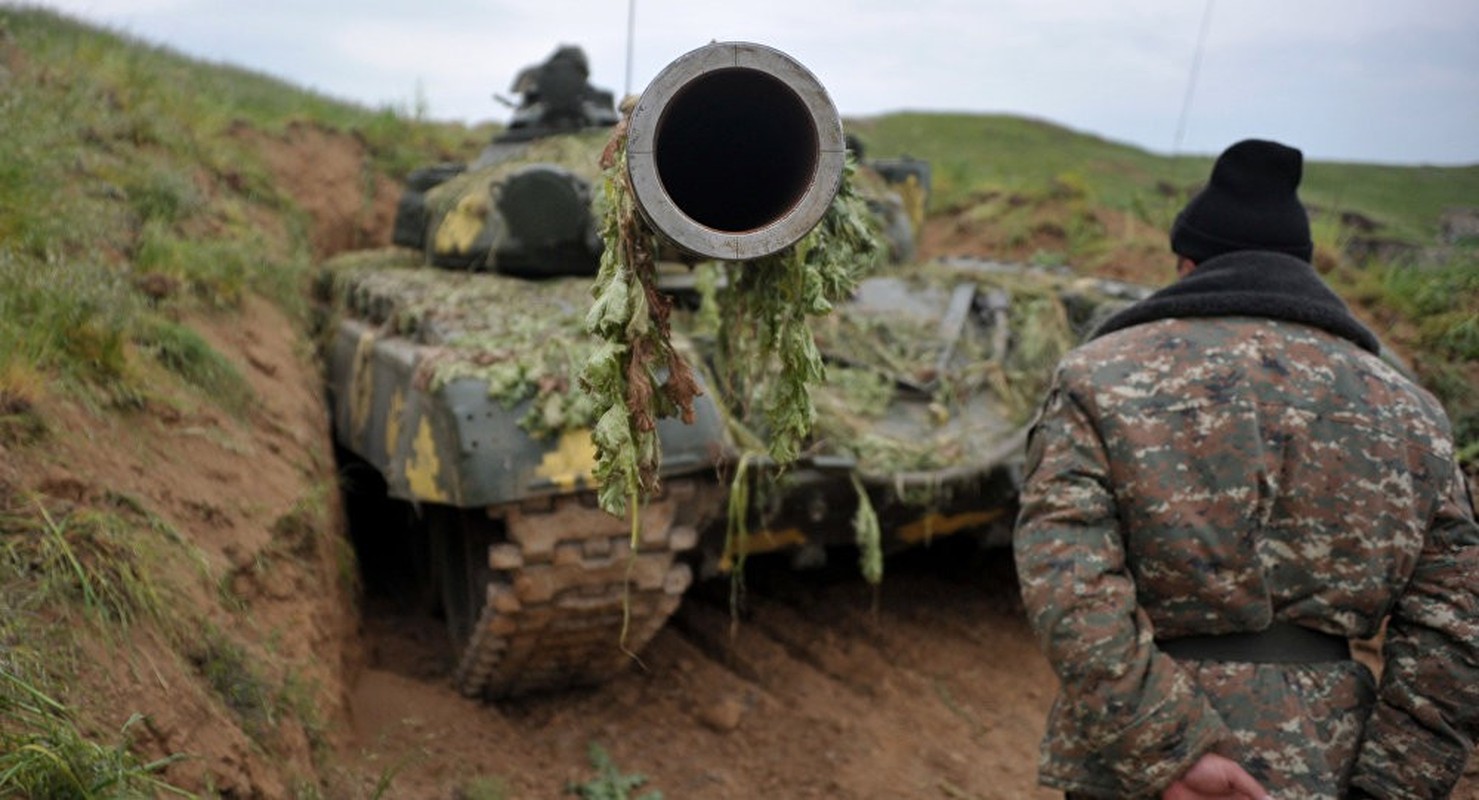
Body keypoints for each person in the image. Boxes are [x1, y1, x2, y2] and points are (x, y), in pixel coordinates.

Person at [1011, 138, 1479, 799]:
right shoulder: (1413, 413)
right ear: (1301, 266)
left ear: (1186, 262)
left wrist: (1166, 749)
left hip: (1138, 770)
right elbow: (1452, 626)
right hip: (1329, 759)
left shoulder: (1098, 379)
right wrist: (1392, 786)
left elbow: (1068, 582)